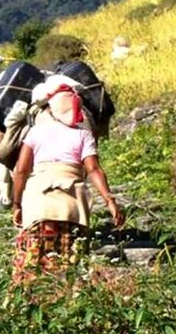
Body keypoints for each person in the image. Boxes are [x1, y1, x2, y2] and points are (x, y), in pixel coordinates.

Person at [11, 75, 125, 283]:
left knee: (31, 261)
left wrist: (17, 203)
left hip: (39, 203)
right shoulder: (83, 135)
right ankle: (69, 301)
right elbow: (93, 169)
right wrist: (110, 200)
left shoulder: (36, 132)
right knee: (70, 260)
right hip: (73, 205)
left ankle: (26, 301)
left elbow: (20, 170)